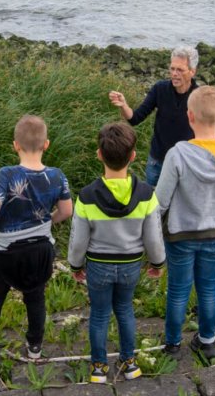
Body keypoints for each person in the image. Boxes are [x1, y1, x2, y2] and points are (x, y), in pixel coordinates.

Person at [155, 86, 215, 362]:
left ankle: (173, 343)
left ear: (190, 116)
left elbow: (160, 201)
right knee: (209, 287)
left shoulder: (178, 153)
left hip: (181, 233)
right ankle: (207, 340)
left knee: (178, 289)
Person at [68, 122, 165, 384]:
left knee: (99, 314)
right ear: (133, 156)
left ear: (99, 154)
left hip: (98, 265)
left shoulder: (87, 196)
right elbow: (154, 236)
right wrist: (157, 262)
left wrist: (75, 266)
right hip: (131, 264)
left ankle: (99, 367)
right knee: (125, 310)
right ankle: (129, 361)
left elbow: (78, 240)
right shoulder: (146, 194)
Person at [0, 115, 73, 365]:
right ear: (46, 144)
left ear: (15, 145)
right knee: (35, 297)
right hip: (38, 253)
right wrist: (47, 222)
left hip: (4, 254)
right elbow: (66, 211)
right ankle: (34, 347)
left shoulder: (6, 175)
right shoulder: (57, 176)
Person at [109, 46, 199, 188]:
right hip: (157, 161)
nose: (174, 74)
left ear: (192, 71)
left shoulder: (199, 96)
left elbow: (208, 130)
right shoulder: (160, 89)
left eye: (180, 70)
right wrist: (123, 105)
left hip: (186, 162)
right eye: (172, 68)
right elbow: (135, 118)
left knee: (178, 206)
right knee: (152, 203)